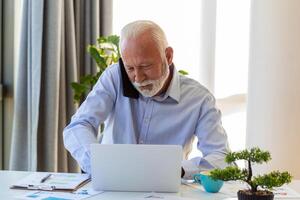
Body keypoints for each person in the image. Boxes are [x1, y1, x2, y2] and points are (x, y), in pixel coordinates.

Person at [63, 20, 230, 179]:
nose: (138, 78)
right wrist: (97, 163)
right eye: (130, 68)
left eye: (145, 66)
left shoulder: (199, 99)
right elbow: (78, 126)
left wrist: (179, 170)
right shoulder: (115, 78)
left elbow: (222, 157)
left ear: (169, 56)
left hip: (166, 190)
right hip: (111, 185)